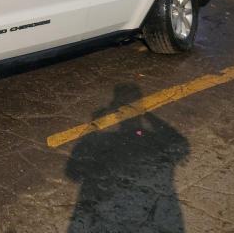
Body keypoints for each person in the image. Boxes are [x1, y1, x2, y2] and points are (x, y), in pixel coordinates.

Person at [65, 83, 189, 232]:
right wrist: (146, 114)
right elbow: (179, 146)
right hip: (135, 218)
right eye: (126, 105)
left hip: (124, 218)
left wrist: (95, 125)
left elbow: (74, 171)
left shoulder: (109, 141)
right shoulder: (143, 140)